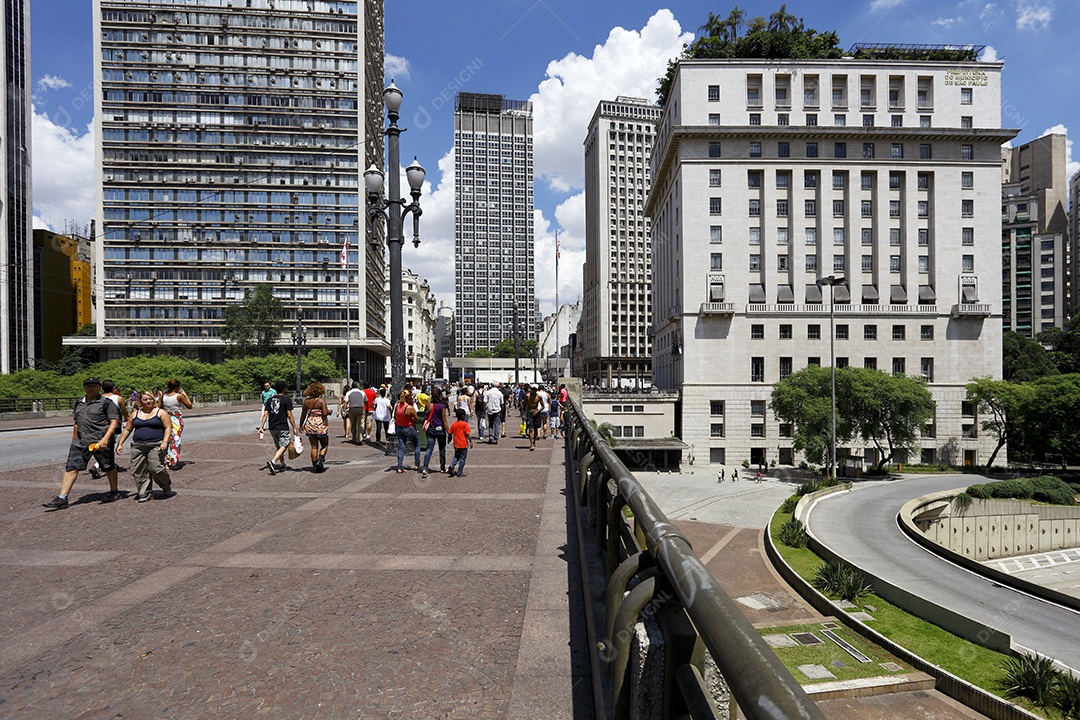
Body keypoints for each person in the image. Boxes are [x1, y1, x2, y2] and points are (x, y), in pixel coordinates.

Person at [43, 377, 123, 509]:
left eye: (94, 385)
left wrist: (105, 439)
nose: (91, 388)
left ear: (99, 388)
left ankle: (114, 491)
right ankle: (63, 498)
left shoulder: (106, 403)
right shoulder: (79, 402)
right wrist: (74, 439)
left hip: (100, 441)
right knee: (71, 467)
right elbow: (76, 422)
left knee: (108, 467)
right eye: (88, 386)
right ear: (84, 387)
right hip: (80, 442)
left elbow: (114, 422)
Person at [116, 391, 173, 502]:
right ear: (140, 401)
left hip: (156, 444)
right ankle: (144, 492)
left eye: (150, 399)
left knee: (155, 468)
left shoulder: (160, 412)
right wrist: (120, 444)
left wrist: (165, 442)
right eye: (145, 399)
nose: (148, 401)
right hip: (138, 445)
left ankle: (165, 484)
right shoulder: (135, 414)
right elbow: (128, 429)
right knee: (138, 470)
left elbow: (168, 428)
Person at [90, 379, 130, 479]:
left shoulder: (98, 398)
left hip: (100, 425)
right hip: (113, 425)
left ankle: (100, 463)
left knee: (101, 445)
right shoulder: (118, 398)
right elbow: (124, 411)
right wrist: (127, 418)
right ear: (113, 388)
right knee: (108, 447)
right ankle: (98, 465)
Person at [259, 380, 297, 474]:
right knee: (285, 444)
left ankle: (283, 464)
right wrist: (294, 427)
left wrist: (261, 427)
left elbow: (265, 414)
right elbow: (290, 415)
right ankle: (273, 462)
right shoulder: (286, 399)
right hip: (282, 426)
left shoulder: (270, 399)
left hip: (272, 426)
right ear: (285, 389)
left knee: (279, 446)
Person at [159, 379, 193, 468]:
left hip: (165, 418)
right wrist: (184, 394)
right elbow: (189, 405)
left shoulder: (163, 395)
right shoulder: (179, 396)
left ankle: (165, 460)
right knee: (175, 440)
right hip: (176, 419)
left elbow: (158, 406)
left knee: (167, 439)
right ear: (177, 387)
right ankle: (172, 462)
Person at [299, 382, 331, 473]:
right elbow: (324, 413)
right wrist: (329, 412)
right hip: (320, 425)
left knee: (314, 447)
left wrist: (301, 425)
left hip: (310, 425)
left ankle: (314, 464)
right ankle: (320, 461)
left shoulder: (306, 402)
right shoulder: (321, 401)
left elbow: (303, 414)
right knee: (324, 445)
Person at [421, 388, 451, 477]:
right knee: (442, 449)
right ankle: (442, 467)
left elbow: (425, 416)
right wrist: (448, 432)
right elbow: (444, 420)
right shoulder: (442, 406)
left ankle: (425, 467)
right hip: (440, 430)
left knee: (429, 449)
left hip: (430, 429)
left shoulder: (428, 405)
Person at [394, 390, 420, 474]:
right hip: (408, 427)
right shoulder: (409, 408)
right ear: (408, 398)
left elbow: (395, 416)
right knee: (416, 444)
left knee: (401, 447)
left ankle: (399, 467)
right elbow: (416, 418)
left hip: (399, 427)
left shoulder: (397, 405)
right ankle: (417, 464)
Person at [447, 407, 473, 477]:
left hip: (456, 444)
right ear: (463, 416)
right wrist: (470, 442)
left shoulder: (454, 424)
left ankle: (452, 465)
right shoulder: (465, 424)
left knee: (456, 456)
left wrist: (449, 440)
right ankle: (459, 472)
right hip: (463, 444)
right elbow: (468, 434)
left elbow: (450, 433)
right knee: (462, 459)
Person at [525, 385, 543, 451]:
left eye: (535, 389)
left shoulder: (539, 396)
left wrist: (537, 411)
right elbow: (524, 405)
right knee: (530, 429)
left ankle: (534, 442)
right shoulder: (527, 396)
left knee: (536, 429)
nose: (534, 390)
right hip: (530, 413)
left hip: (536, 413)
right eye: (533, 389)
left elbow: (542, 406)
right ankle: (531, 444)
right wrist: (523, 414)